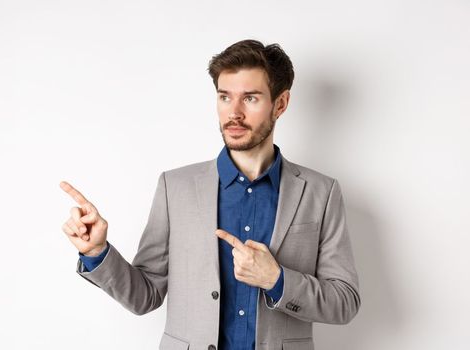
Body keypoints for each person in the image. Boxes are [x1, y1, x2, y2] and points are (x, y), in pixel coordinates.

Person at [59, 39, 360, 350]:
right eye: (225, 97)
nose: (234, 113)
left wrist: (276, 279)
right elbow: (144, 296)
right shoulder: (174, 187)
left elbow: (344, 301)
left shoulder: (321, 193)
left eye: (251, 98)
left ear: (280, 104)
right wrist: (97, 252)